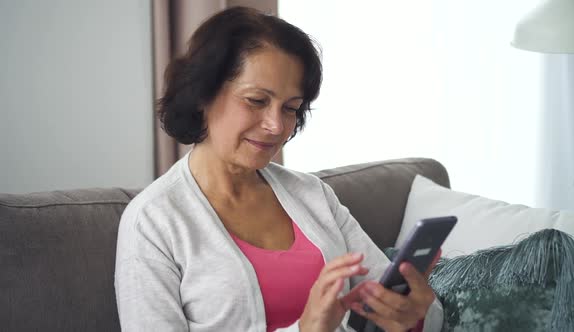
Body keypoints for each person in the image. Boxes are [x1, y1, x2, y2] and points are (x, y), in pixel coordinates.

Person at [114, 6, 443, 332]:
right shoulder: (153, 221)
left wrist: (415, 311)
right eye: (256, 101)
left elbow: (398, 300)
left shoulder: (312, 194)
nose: (275, 125)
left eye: (290, 109)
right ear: (203, 94)